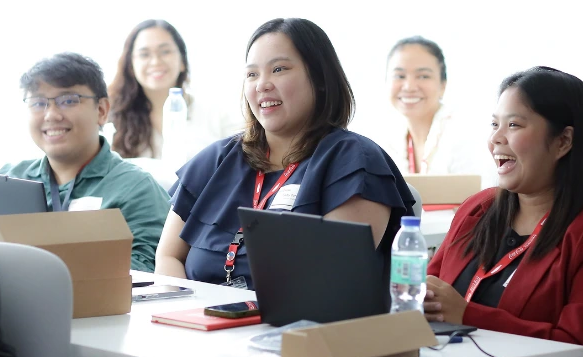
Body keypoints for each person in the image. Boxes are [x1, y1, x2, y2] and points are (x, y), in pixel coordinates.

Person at [155, 18, 414, 288]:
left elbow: (333, 279)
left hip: (297, 327)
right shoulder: (216, 160)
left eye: (278, 69)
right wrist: (189, 315)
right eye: (252, 74)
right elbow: (168, 256)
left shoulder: (354, 160)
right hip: (197, 324)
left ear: (320, 79)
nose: (262, 84)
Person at [423, 67, 583, 357]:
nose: (496, 138)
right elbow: (432, 291)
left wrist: (468, 316)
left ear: (563, 141)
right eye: (494, 124)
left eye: (514, 125)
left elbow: (582, 350)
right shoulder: (477, 208)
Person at [0, 53, 170, 272]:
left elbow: (143, 272)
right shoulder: (8, 180)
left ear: (101, 110)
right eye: (38, 102)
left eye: (68, 100)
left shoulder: (136, 188)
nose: (51, 115)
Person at [106, 19, 237, 160]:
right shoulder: (112, 117)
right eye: (144, 54)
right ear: (131, 65)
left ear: (182, 61)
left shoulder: (217, 114)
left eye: (165, 52)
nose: (156, 61)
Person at [384, 36, 491, 177]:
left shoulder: (464, 134)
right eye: (399, 76)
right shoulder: (385, 141)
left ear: (443, 85)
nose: (409, 87)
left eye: (423, 76)